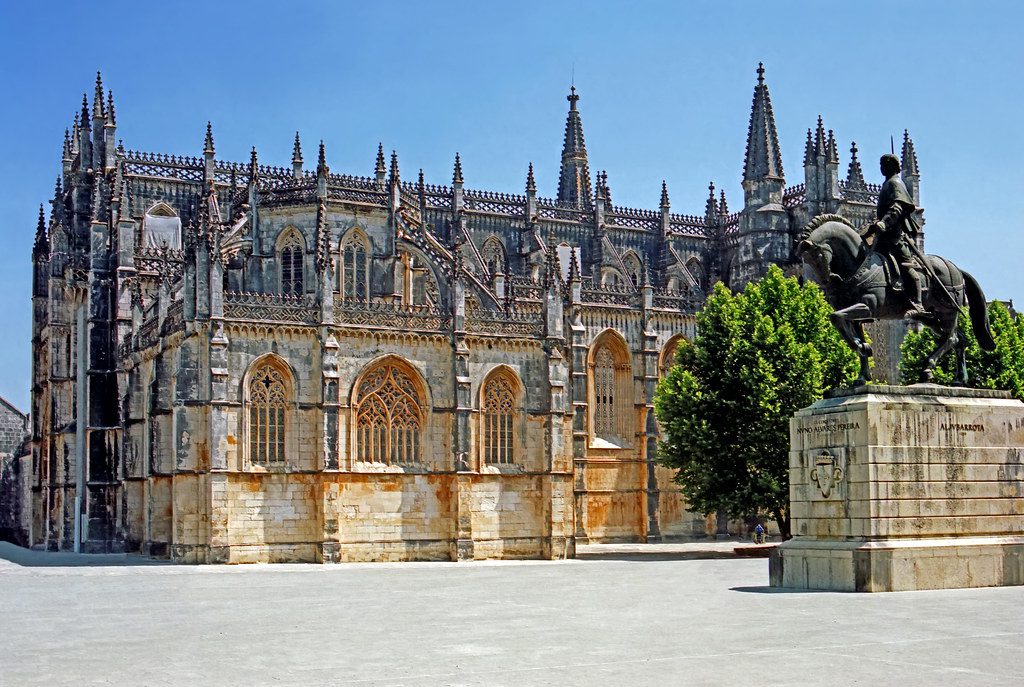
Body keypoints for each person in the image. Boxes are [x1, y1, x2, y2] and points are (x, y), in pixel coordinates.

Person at [862, 154, 926, 317]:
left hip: (896, 236)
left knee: (906, 265)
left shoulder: (895, 183)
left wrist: (884, 223)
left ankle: (917, 303)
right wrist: (871, 229)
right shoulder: (887, 184)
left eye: (884, 164)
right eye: (880, 164)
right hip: (883, 236)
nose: (881, 167)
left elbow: (897, 208)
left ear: (893, 166)